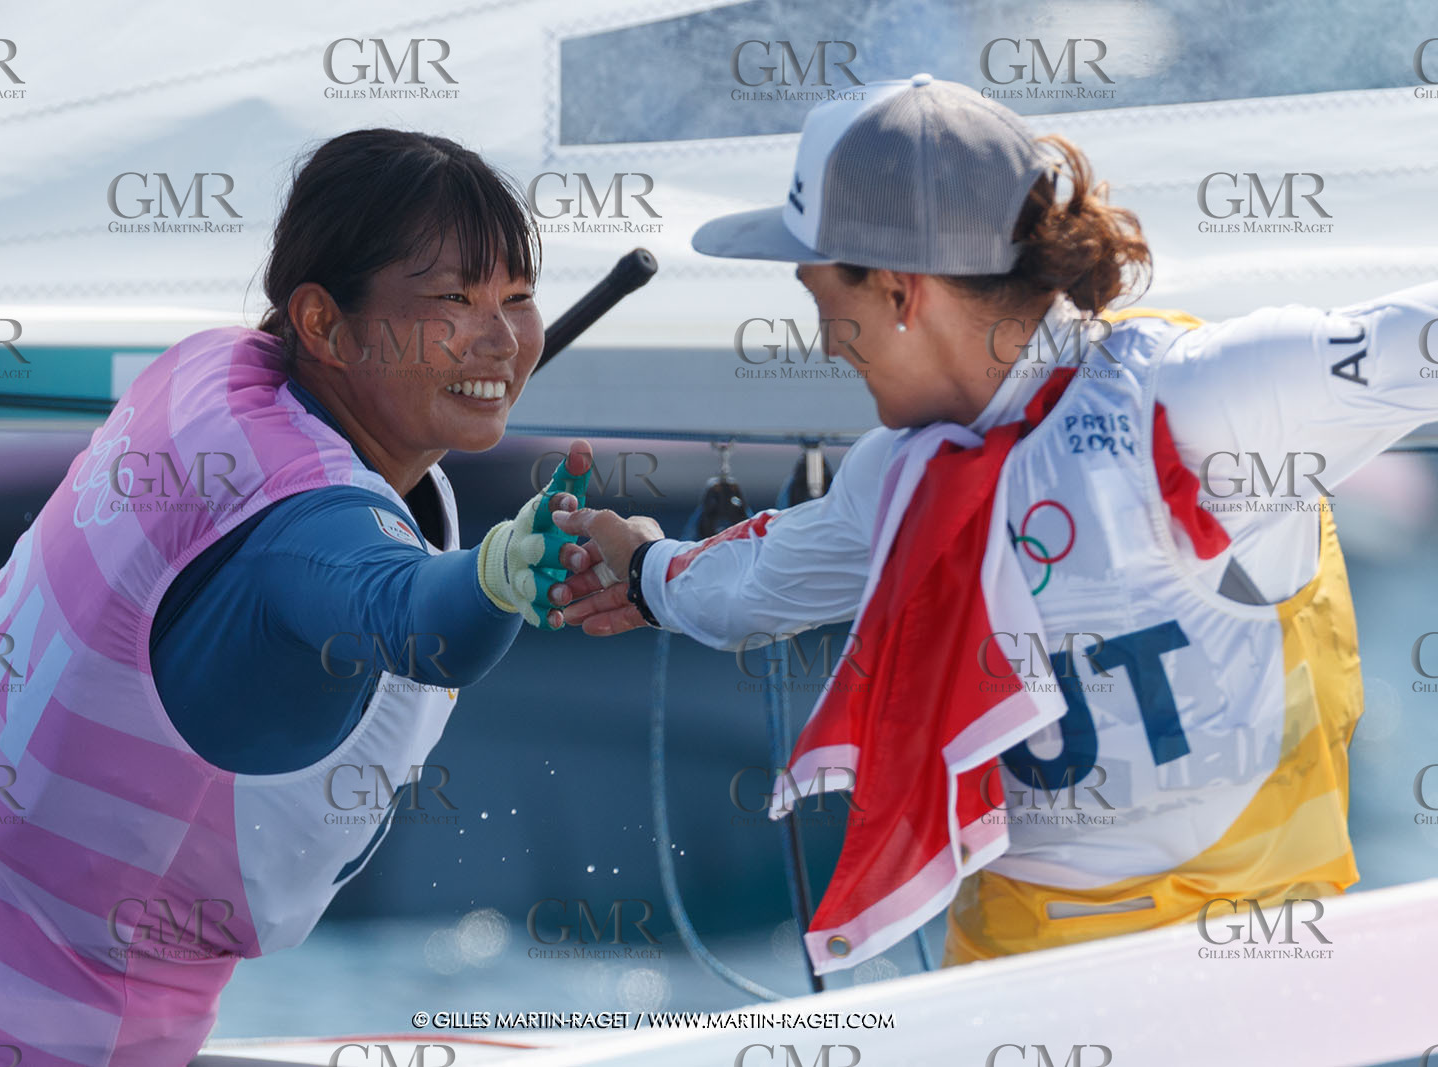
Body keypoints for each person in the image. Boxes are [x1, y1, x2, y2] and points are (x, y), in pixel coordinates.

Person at [548, 74, 1438, 973]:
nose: (822, 343)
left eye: (825, 303)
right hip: (1017, 995)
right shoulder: (898, 479)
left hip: (1242, 980)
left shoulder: (1207, 397)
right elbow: (760, 582)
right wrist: (643, 571)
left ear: (900, 293)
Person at [0, 129, 589, 1064]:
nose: (501, 335)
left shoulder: (216, 370)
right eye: (452, 299)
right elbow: (411, 615)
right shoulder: (304, 535)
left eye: (517, 298)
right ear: (319, 324)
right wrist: (502, 571)